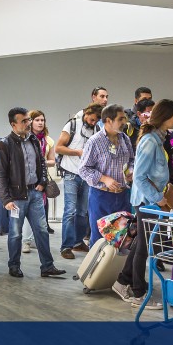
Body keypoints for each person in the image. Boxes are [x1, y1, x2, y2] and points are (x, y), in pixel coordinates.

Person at [111, 99, 173, 309]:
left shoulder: (159, 139)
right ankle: (138, 292)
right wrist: (158, 198)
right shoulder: (150, 141)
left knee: (143, 243)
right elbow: (139, 177)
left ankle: (123, 281)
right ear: (165, 117)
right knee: (144, 247)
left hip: (151, 200)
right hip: (147, 201)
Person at [0, 107, 66, 279]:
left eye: (28, 120)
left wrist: (42, 183)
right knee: (16, 233)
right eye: (24, 121)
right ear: (13, 124)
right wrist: (5, 199)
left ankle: (47, 266)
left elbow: (42, 163)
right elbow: (0, 175)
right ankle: (14, 265)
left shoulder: (33, 140)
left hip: (35, 193)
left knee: (41, 230)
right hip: (16, 198)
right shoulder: (4, 144)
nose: (28, 123)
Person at [78, 104, 134, 246]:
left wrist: (130, 171)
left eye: (125, 118)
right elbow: (83, 169)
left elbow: (131, 160)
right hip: (101, 196)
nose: (124, 122)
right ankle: (96, 268)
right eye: (120, 119)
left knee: (122, 238)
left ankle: (116, 269)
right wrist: (104, 178)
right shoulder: (94, 141)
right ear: (108, 120)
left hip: (122, 196)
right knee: (99, 239)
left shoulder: (125, 139)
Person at [56, 103, 101, 256]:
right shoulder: (72, 125)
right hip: (70, 174)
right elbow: (58, 148)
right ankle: (66, 247)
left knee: (82, 212)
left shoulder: (96, 129)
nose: (93, 122)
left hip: (86, 176)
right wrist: (77, 152)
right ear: (86, 113)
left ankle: (78, 242)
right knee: (69, 210)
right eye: (92, 119)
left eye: (96, 121)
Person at [22, 109, 57, 255]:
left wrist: (41, 161)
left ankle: (36, 240)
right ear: (30, 122)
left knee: (39, 212)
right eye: (37, 120)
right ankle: (25, 241)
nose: (40, 122)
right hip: (27, 180)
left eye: (42, 120)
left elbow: (52, 161)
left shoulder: (48, 140)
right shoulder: (25, 138)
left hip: (42, 179)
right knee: (26, 210)